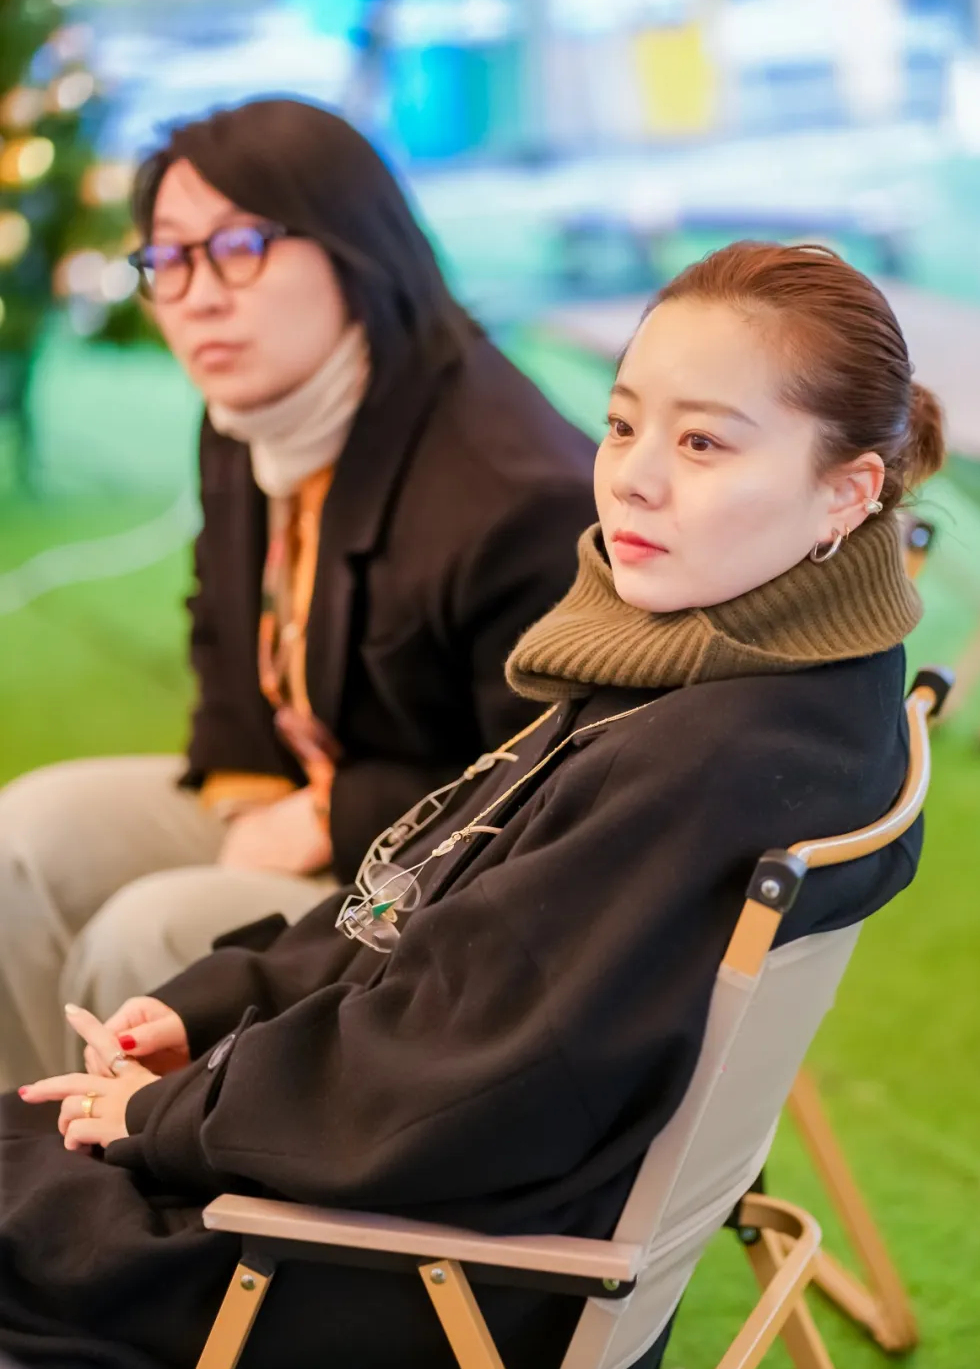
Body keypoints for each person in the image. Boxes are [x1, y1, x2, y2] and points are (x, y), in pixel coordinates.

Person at [1, 242, 945, 1369]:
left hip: (444, 1276)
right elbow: (434, 902)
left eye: (706, 443)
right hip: (455, 1211)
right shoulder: (758, 673)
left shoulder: (710, 754)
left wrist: (167, 1119)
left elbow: (449, 1078)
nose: (635, 477)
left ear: (845, 493)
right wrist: (219, 1006)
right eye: (622, 425)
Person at [0, 97, 596, 1091]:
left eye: (239, 246)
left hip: (448, 885)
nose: (197, 296)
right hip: (308, 795)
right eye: (168, 258)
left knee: (148, 935)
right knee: (22, 841)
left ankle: (132, 1188)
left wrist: (328, 820)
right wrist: (251, 791)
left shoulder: (512, 494)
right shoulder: (255, 411)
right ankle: (31, 1160)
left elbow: (547, 801)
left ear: (356, 248)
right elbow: (224, 628)